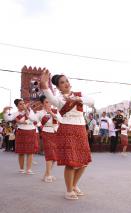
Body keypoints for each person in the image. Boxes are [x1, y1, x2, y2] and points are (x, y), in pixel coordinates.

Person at [40, 70, 94, 200]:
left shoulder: (79, 94)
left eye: (67, 81)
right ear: (58, 87)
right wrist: (44, 84)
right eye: (62, 83)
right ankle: (69, 190)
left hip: (81, 129)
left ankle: (74, 185)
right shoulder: (58, 99)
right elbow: (50, 96)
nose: (66, 84)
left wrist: (78, 99)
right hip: (67, 129)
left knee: (84, 161)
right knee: (71, 162)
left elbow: (91, 101)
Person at [3, 99, 38, 175]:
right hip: (21, 131)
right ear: (17, 106)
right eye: (20, 104)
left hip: (31, 130)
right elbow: (8, 119)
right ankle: (21, 169)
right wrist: (5, 110)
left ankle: (28, 169)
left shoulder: (29, 110)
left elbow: (34, 119)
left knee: (30, 152)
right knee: (21, 152)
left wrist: (26, 110)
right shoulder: (16, 113)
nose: (22, 105)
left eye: (23, 103)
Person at [36, 95, 61, 183]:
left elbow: (59, 119)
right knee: (50, 154)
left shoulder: (55, 111)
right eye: (46, 102)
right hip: (46, 132)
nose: (49, 103)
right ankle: (49, 175)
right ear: (42, 104)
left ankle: (46, 175)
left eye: (50, 101)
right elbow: (34, 120)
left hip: (55, 132)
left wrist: (51, 112)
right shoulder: (40, 113)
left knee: (54, 156)